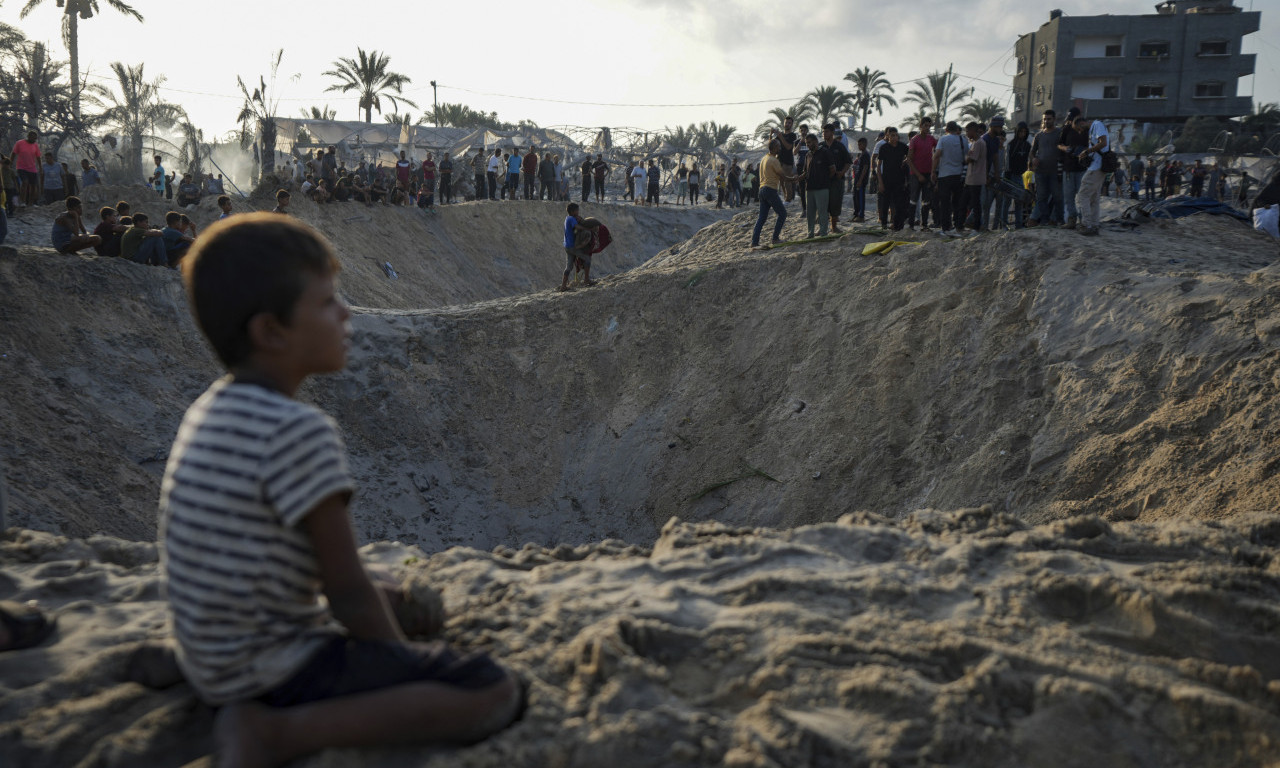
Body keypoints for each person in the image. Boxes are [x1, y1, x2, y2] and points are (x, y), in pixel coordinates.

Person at [163, 213, 521, 767]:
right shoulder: (298, 431)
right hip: (273, 669)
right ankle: (275, 735)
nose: (347, 313)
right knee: (489, 688)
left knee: (397, 598)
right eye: (329, 302)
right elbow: (347, 592)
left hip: (210, 656)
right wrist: (401, 668)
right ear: (272, 331)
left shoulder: (208, 411)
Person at [750, 138, 798, 249]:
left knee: (762, 218)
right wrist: (796, 178)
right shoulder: (774, 160)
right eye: (778, 147)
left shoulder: (764, 159)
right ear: (774, 148)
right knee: (782, 214)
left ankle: (754, 242)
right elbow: (784, 177)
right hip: (770, 190)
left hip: (762, 190)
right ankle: (775, 238)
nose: (780, 148)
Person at [931, 121, 969, 237]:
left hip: (945, 175)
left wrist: (933, 171)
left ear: (947, 130)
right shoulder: (964, 140)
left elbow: (937, 155)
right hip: (958, 175)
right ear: (956, 129)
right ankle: (957, 225)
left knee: (945, 203)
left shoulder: (943, 139)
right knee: (957, 202)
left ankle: (945, 227)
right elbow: (966, 157)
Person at [1074, 114, 1108, 237]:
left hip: (1096, 168)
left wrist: (1087, 151)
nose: (1080, 131)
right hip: (1098, 167)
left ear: (1082, 123)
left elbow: (1103, 142)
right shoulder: (1094, 128)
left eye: (1079, 129)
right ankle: (1094, 225)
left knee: (1082, 195)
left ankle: (1087, 224)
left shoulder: (1097, 125)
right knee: (1094, 198)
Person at [1027, 110, 1062, 227]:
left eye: (1049, 119)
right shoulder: (1039, 135)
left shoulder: (1059, 133)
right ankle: (1044, 220)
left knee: (1057, 197)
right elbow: (1032, 152)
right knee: (1041, 198)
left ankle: (1057, 220)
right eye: (1045, 119)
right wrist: (1033, 159)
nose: (1046, 121)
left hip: (1055, 172)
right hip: (1041, 172)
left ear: (1054, 119)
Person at [1056, 107, 1086, 230]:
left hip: (1083, 168)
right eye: (1070, 119)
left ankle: (1084, 220)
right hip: (1068, 168)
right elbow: (1059, 144)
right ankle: (1072, 220)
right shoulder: (1066, 129)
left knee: (1083, 196)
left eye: (1073, 118)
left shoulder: (1087, 129)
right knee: (1069, 196)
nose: (1071, 121)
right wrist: (1066, 149)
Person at [559, 202, 600, 290]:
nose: (578, 212)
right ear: (573, 211)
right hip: (573, 247)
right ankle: (586, 280)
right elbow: (578, 227)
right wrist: (589, 229)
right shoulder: (572, 219)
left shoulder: (567, 218)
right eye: (577, 210)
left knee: (569, 267)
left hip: (567, 246)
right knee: (587, 259)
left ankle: (563, 286)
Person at [876, 127, 910, 231]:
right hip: (886, 180)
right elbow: (879, 165)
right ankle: (884, 225)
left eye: (895, 135)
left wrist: (905, 162)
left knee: (899, 204)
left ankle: (897, 225)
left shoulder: (903, 146)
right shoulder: (884, 148)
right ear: (888, 136)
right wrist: (880, 182)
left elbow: (911, 156)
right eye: (892, 135)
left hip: (899, 180)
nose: (894, 137)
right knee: (885, 204)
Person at [906, 117, 937, 230]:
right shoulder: (914, 140)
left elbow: (938, 150)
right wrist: (918, 174)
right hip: (915, 174)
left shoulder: (931, 139)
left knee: (926, 200)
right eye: (925, 126)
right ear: (920, 126)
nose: (927, 128)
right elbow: (909, 159)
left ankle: (924, 224)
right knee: (913, 199)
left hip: (928, 173)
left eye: (929, 126)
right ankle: (911, 224)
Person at [803, 134, 833, 238]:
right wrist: (796, 178)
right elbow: (805, 172)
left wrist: (825, 180)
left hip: (822, 188)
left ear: (816, 141)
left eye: (809, 142)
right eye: (806, 143)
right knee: (810, 213)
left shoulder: (825, 152)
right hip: (809, 188)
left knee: (822, 212)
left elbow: (832, 169)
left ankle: (824, 233)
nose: (808, 145)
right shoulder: (807, 155)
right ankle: (810, 233)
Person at [1002, 121, 1031, 229]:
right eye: (1020, 132)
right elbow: (1007, 161)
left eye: (1024, 132)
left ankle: (1018, 224)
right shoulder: (1011, 144)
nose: (1022, 134)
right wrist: (1007, 175)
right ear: (1017, 132)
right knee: (1007, 201)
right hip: (1010, 175)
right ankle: (1004, 224)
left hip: (1021, 176)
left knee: (1019, 201)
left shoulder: (1027, 145)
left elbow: (1028, 160)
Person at [824, 124, 852, 233]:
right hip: (824, 180)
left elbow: (848, 162)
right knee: (823, 204)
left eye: (826, 131)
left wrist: (842, 172)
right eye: (824, 131)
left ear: (832, 133)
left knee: (835, 203)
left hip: (837, 180)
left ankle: (834, 226)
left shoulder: (839, 146)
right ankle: (823, 227)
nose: (824, 134)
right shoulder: (821, 146)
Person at [12, 131, 42, 207]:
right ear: (28, 136)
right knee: (25, 182)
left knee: (33, 186)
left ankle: (31, 203)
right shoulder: (20, 143)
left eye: (35, 138)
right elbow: (14, 153)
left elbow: (38, 157)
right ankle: (22, 201)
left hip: (32, 168)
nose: (34, 140)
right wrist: (10, 162)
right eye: (33, 138)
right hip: (21, 167)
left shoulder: (35, 145)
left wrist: (40, 167)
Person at [773, 116, 797, 202]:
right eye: (786, 122)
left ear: (792, 124)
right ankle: (786, 198)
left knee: (787, 181)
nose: (787, 124)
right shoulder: (780, 135)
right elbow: (771, 145)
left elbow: (788, 147)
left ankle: (788, 199)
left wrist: (781, 136)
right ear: (784, 123)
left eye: (789, 123)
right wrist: (770, 134)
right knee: (781, 181)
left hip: (788, 162)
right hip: (779, 161)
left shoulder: (792, 135)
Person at [851, 137, 870, 222]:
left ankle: (861, 216)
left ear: (865, 144)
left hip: (861, 181)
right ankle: (856, 214)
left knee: (861, 198)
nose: (859, 146)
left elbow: (865, 168)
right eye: (858, 144)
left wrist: (860, 180)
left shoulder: (865, 154)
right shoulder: (861, 154)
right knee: (856, 197)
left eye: (860, 144)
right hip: (857, 179)